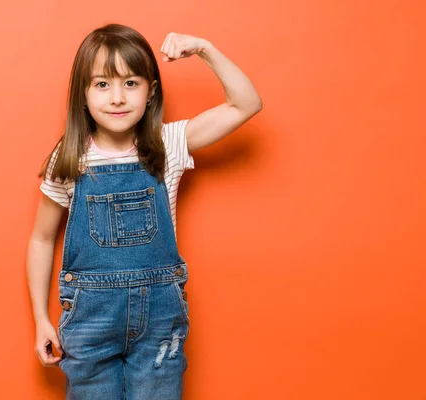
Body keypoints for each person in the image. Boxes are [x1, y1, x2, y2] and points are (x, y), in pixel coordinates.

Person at [27, 23, 262, 400]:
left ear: (151, 92)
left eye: (131, 83)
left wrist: (204, 48)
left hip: (159, 322)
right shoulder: (69, 158)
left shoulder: (168, 143)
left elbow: (246, 104)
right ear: (82, 95)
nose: (117, 97)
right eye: (102, 84)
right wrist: (40, 319)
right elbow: (41, 238)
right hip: (90, 321)